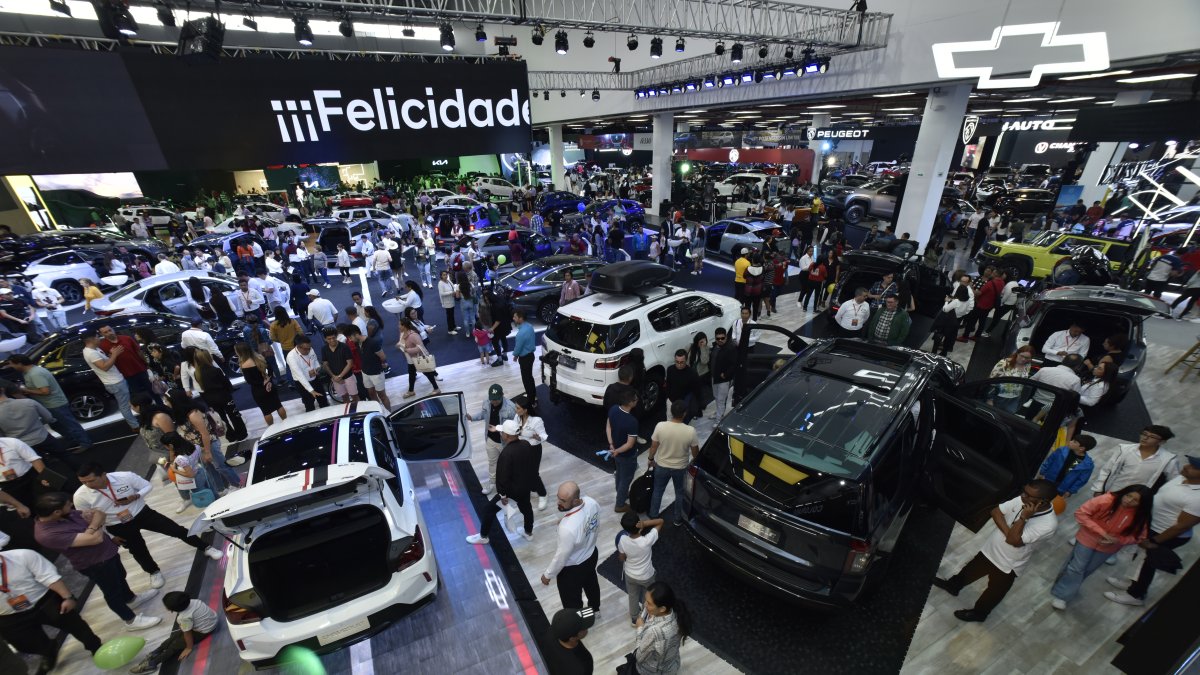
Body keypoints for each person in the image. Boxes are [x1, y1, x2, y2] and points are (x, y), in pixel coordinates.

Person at [73, 463, 222, 590]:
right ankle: (153, 572)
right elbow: (89, 520)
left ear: (103, 475)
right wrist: (110, 536)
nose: (87, 485)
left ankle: (206, 547)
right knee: (138, 551)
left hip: (142, 513)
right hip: (117, 525)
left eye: (91, 481)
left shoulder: (125, 477)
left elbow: (146, 486)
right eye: (83, 482)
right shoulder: (80, 496)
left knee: (176, 530)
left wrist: (136, 496)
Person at [932, 479, 1059, 621]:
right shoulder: (1024, 499)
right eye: (1024, 491)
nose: (1023, 496)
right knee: (970, 570)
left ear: (1042, 502)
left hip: (1009, 563)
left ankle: (979, 614)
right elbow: (996, 512)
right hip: (991, 549)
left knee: (993, 592)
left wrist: (1023, 517)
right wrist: (1008, 532)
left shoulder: (1048, 525)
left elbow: (1014, 541)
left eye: (1029, 495)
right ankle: (953, 586)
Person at [33, 492, 162, 631]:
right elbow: (94, 538)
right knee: (112, 592)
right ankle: (130, 620)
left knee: (120, 577)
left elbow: (96, 515)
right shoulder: (47, 534)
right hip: (95, 564)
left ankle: (131, 599)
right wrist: (96, 523)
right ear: (56, 512)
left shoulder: (65, 515)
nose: (72, 506)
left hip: (107, 553)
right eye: (68, 506)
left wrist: (93, 524)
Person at [1105, 455, 1200, 607]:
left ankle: (1136, 594)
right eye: (1190, 464)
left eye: (1194, 468)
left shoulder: (1197, 498)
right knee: (1139, 557)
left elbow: (1182, 526)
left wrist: (1155, 541)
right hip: (1151, 526)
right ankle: (1130, 582)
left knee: (1148, 563)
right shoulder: (1180, 478)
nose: (1187, 467)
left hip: (1164, 534)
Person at [0, 546, 104, 672]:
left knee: (75, 625)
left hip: (44, 601)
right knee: (24, 643)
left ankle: (95, 646)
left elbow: (49, 577)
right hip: (8, 615)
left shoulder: (23, 555)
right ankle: (48, 651)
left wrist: (68, 597)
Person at [1050, 485, 1152, 610]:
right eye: (1128, 495)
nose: (1128, 500)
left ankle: (1063, 587)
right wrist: (1101, 532)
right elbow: (1081, 513)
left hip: (1109, 548)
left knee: (1086, 569)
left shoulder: (1140, 516)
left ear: (1142, 504)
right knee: (1077, 567)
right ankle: (1063, 596)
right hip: (1087, 538)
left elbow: (1139, 537)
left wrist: (1118, 540)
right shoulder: (1106, 500)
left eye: (1135, 500)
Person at [465, 418, 540, 544]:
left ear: (507, 435)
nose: (500, 434)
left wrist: (502, 495)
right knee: (527, 509)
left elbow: (502, 477)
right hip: (525, 487)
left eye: (502, 432)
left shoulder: (506, 453)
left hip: (511, 491)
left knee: (489, 510)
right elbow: (531, 466)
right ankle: (528, 533)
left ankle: (483, 537)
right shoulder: (526, 445)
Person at [8, 355, 91, 454]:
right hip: (49, 405)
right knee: (57, 426)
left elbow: (46, 391)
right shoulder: (30, 372)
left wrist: (26, 390)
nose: (11, 366)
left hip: (55, 404)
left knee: (70, 425)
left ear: (19, 363)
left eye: (12, 364)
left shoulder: (35, 374)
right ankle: (74, 440)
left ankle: (86, 443)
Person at [540, 481, 601, 614]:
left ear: (575, 502)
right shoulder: (592, 502)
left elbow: (562, 556)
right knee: (591, 585)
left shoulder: (567, 528)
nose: (558, 502)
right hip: (591, 554)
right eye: (557, 497)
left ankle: (580, 626)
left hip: (573, 568)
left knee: (571, 600)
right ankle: (595, 611)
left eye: (562, 500)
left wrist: (548, 574)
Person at [128, 591, 219, 673]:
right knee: (174, 637)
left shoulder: (184, 618)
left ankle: (153, 663)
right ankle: (156, 651)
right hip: (210, 620)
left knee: (175, 645)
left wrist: (189, 647)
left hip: (204, 630)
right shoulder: (194, 601)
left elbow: (187, 634)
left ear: (172, 609)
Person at [648, 400, 700, 525]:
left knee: (658, 491)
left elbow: (654, 446)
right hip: (680, 468)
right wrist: (694, 461)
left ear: (671, 412)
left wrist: (650, 459)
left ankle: (654, 517)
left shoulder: (660, 426)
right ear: (684, 414)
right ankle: (677, 519)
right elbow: (695, 452)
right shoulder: (690, 431)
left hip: (662, 466)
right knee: (680, 492)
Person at [1090, 425, 1179, 496]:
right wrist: (1099, 489)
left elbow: (1172, 482)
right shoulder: (1124, 449)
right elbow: (1107, 470)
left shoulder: (1168, 459)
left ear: (1162, 442)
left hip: (1136, 500)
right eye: (1144, 434)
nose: (1145, 438)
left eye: (1152, 437)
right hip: (1113, 492)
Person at [632, 581, 692, 675]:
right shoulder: (677, 613)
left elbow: (638, 657)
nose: (645, 605)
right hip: (671, 666)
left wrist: (640, 628)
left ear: (662, 609)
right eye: (645, 600)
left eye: (649, 603)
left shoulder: (654, 632)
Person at [469, 384, 517, 494]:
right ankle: (491, 483)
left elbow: (514, 428)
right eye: (492, 399)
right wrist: (472, 418)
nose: (494, 402)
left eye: (496, 399)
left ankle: (510, 484)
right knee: (492, 462)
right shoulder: (487, 402)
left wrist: (499, 430)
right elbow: (483, 414)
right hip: (490, 439)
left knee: (508, 464)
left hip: (504, 442)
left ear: (502, 395)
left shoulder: (510, 408)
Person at [617, 511, 663, 626]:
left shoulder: (622, 539)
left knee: (632, 595)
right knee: (647, 596)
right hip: (646, 575)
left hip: (630, 574)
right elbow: (660, 522)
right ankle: (646, 614)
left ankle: (634, 619)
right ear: (639, 524)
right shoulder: (646, 541)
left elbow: (621, 558)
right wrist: (645, 524)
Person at [192, 349, 247, 442]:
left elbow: (201, 389)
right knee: (234, 415)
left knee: (221, 418)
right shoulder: (215, 370)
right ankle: (242, 434)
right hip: (224, 396)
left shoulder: (196, 373)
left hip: (210, 399)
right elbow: (226, 384)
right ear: (208, 358)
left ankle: (231, 436)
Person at [0, 381, 60, 458]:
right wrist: (37, 423)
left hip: (21, 445)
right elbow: (49, 418)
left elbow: (2, 436)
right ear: (2, 390)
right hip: (42, 436)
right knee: (64, 455)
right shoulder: (29, 402)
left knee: (39, 466)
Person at [97, 324, 156, 400]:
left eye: (110, 330)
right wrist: (112, 355)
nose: (109, 333)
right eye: (105, 332)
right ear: (102, 334)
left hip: (141, 369)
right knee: (138, 396)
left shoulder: (127, 338)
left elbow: (139, 352)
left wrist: (147, 364)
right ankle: (146, 410)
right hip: (126, 375)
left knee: (153, 390)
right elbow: (107, 361)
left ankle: (161, 407)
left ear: (113, 329)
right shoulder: (102, 346)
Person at [607, 388, 641, 514]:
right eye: (636, 399)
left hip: (616, 452)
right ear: (631, 403)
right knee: (626, 479)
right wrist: (618, 451)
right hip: (627, 456)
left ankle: (621, 493)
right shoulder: (632, 421)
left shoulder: (614, 409)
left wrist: (612, 446)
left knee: (619, 474)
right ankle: (620, 504)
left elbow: (608, 426)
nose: (637, 401)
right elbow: (630, 444)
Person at [236, 343, 286, 426]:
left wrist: (262, 383)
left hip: (259, 390)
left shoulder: (244, 364)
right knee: (278, 405)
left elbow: (250, 381)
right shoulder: (260, 357)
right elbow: (270, 368)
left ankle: (272, 428)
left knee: (266, 411)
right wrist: (268, 379)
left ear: (240, 352)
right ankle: (286, 422)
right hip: (270, 384)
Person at [349, 324, 390, 411]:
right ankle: (379, 412)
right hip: (365, 372)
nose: (350, 339)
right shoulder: (357, 343)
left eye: (350, 337)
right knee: (371, 394)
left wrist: (382, 364)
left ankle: (389, 414)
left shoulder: (372, 342)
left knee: (382, 395)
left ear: (356, 334)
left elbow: (383, 356)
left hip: (376, 373)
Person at [544, 607, 596, 675]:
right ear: (572, 638)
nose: (587, 628)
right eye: (584, 627)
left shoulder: (551, 632)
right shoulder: (583, 663)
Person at [397, 318, 440, 399]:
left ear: (404, 326)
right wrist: (399, 345)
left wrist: (407, 350)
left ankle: (436, 389)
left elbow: (420, 348)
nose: (398, 326)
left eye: (399, 324)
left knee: (426, 373)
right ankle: (411, 391)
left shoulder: (413, 335)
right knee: (412, 373)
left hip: (417, 358)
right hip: (410, 359)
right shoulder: (402, 333)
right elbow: (402, 342)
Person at [286, 335, 329, 411]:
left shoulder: (310, 349)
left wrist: (316, 369)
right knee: (309, 405)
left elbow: (315, 360)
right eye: (306, 349)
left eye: (309, 348)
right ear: (298, 346)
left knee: (323, 400)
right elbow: (299, 376)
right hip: (302, 383)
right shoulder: (291, 357)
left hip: (315, 379)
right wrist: (311, 390)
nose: (308, 351)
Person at [986, 346, 1034, 413]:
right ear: (1017, 353)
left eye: (1027, 358)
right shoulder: (1004, 363)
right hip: (1000, 397)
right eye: (1022, 356)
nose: (1023, 359)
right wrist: (990, 399)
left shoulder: (1028, 365)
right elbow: (992, 380)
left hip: (1015, 398)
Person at [320, 327, 359, 404]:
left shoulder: (344, 347)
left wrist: (340, 376)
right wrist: (334, 376)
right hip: (335, 378)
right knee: (344, 397)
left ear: (336, 336)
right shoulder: (324, 349)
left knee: (355, 396)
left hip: (348, 377)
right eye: (329, 339)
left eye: (333, 338)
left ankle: (359, 412)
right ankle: (349, 413)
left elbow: (350, 363)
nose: (332, 340)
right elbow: (325, 364)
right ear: (325, 339)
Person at [664, 350, 699, 423]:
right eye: (677, 362)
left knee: (682, 423)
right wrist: (667, 398)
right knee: (669, 421)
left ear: (686, 360)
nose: (679, 365)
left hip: (683, 403)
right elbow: (668, 383)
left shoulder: (692, 373)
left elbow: (696, 390)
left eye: (681, 362)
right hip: (671, 401)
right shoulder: (670, 369)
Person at [512, 309, 538, 406]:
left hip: (525, 359)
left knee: (526, 380)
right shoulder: (529, 326)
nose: (513, 318)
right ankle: (533, 396)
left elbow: (518, 347)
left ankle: (531, 402)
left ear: (520, 318)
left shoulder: (521, 333)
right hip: (531, 356)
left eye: (515, 317)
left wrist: (515, 355)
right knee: (530, 378)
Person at [709, 327, 736, 421]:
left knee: (721, 399)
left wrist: (725, 374)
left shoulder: (730, 348)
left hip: (724, 379)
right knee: (716, 397)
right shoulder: (715, 347)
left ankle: (719, 419)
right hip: (714, 377)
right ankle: (718, 413)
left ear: (726, 337)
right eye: (718, 338)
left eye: (722, 338)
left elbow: (734, 364)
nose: (720, 340)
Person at [437, 270, 459, 335]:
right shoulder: (440, 283)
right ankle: (450, 330)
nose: (445, 276)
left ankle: (454, 326)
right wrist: (451, 292)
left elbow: (453, 287)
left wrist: (454, 291)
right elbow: (442, 293)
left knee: (452, 315)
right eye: (444, 275)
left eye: (446, 274)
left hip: (451, 300)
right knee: (449, 316)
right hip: (446, 302)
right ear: (441, 276)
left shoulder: (448, 281)